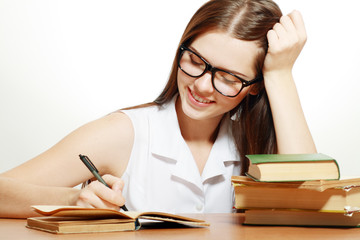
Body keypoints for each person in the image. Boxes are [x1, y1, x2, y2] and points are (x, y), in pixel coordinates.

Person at [0, 0, 316, 218]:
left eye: (229, 78)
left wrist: (280, 73)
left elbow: (312, 207)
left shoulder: (264, 145)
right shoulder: (124, 132)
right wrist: (71, 201)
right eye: (195, 61)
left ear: (254, 86)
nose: (203, 86)